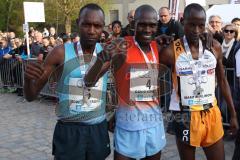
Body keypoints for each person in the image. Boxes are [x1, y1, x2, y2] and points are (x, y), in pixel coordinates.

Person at [24, 3, 110, 160]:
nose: (91, 31)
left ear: (103, 28)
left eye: (97, 26)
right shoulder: (60, 52)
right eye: (86, 24)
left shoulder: (106, 53)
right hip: (69, 130)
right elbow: (31, 96)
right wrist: (27, 79)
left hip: (98, 129)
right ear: (78, 23)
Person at [84, 4, 166, 160]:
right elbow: (88, 82)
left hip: (154, 123)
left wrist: (205, 35)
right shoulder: (121, 46)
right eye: (142, 24)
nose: (147, 29)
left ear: (157, 26)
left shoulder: (158, 46)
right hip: (128, 126)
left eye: (152, 25)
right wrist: (101, 58)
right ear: (133, 24)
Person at [159, 3, 238, 160]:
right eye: (191, 25)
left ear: (205, 25)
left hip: (211, 113)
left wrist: (233, 114)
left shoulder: (214, 46)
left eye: (201, 25)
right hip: (185, 116)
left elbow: (222, 81)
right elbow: (152, 76)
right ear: (183, 22)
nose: (196, 31)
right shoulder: (170, 51)